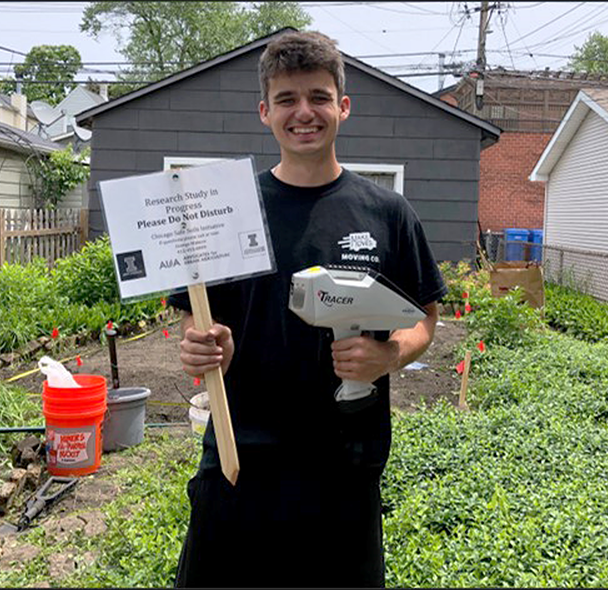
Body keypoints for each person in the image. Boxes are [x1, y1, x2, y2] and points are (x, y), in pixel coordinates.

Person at [167, 30, 447, 588]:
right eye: (288, 99)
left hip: (345, 463)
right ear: (264, 111)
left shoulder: (387, 212)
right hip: (238, 457)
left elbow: (424, 317)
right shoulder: (224, 210)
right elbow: (195, 322)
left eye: (319, 97)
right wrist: (202, 345)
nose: (304, 113)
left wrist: (389, 353)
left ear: (343, 106)